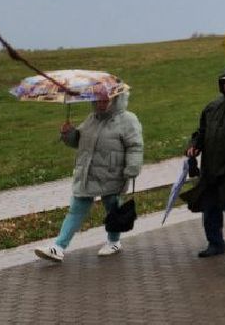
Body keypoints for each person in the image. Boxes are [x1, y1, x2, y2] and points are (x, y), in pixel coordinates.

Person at [34, 83, 144, 263]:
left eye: (105, 99)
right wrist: (68, 134)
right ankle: (59, 247)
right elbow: (79, 141)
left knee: (112, 208)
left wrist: (133, 167)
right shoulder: (92, 118)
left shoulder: (128, 120)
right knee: (76, 208)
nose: (101, 103)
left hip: (113, 173)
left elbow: (135, 146)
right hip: (87, 172)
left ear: (115, 98)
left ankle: (114, 242)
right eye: (98, 99)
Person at [185, 67, 225, 257]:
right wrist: (194, 145)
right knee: (210, 205)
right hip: (210, 166)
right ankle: (215, 243)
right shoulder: (213, 106)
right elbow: (201, 131)